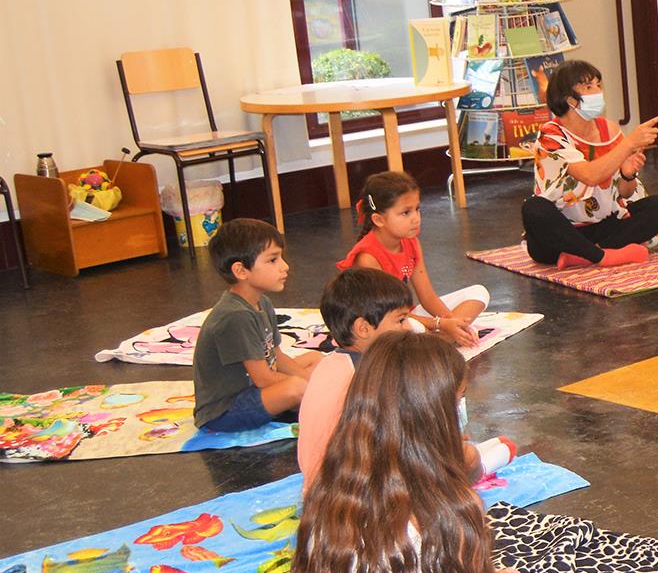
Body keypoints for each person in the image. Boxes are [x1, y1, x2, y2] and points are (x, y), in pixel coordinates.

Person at [292, 332, 616, 573]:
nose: (463, 412)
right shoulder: (447, 508)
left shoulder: (329, 489)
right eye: (458, 400)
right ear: (434, 414)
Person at [297, 269, 516, 492]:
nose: (409, 328)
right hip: (354, 495)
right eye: (401, 320)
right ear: (363, 328)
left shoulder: (332, 363)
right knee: (467, 459)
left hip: (321, 489)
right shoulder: (371, 376)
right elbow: (400, 447)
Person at [523, 59, 658, 268]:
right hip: (563, 231)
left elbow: (626, 192)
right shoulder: (551, 134)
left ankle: (586, 254)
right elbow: (590, 175)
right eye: (588, 87)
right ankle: (603, 256)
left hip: (603, 225)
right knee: (533, 209)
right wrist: (629, 143)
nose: (597, 91)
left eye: (598, 85)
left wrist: (628, 175)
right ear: (570, 100)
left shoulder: (609, 130)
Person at [193, 218, 319, 433]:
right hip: (224, 411)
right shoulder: (236, 316)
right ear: (241, 270)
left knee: (316, 359)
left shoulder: (262, 302)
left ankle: (309, 396)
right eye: (273, 260)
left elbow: (277, 357)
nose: (285, 266)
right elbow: (264, 379)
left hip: (251, 389)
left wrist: (313, 381)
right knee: (297, 387)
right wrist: (313, 386)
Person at [339, 171, 489, 347]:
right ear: (378, 220)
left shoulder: (411, 242)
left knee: (479, 293)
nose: (416, 218)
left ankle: (436, 341)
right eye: (406, 213)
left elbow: (427, 297)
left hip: (405, 316)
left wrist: (453, 323)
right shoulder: (367, 258)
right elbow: (386, 315)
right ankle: (435, 342)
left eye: (417, 209)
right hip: (382, 323)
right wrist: (440, 324)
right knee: (412, 327)